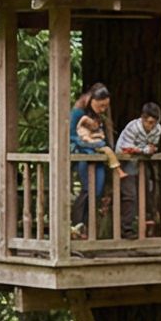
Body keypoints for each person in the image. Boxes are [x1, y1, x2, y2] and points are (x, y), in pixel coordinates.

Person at [70, 81, 115, 238]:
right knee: (87, 189)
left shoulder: (97, 116)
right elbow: (71, 136)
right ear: (91, 99)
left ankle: (89, 228)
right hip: (84, 155)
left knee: (98, 190)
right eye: (100, 105)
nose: (103, 109)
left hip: (98, 156)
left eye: (105, 106)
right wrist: (88, 143)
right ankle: (77, 225)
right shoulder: (77, 112)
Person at [116, 99, 161, 235]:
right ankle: (127, 229)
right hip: (125, 161)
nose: (151, 126)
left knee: (147, 192)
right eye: (149, 123)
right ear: (142, 119)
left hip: (141, 162)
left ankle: (145, 226)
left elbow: (152, 147)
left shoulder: (157, 129)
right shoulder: (133, 127)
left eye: (154, 123)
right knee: (130, 195)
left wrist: (147, 150)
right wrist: (143, 150)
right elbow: (125, 149)